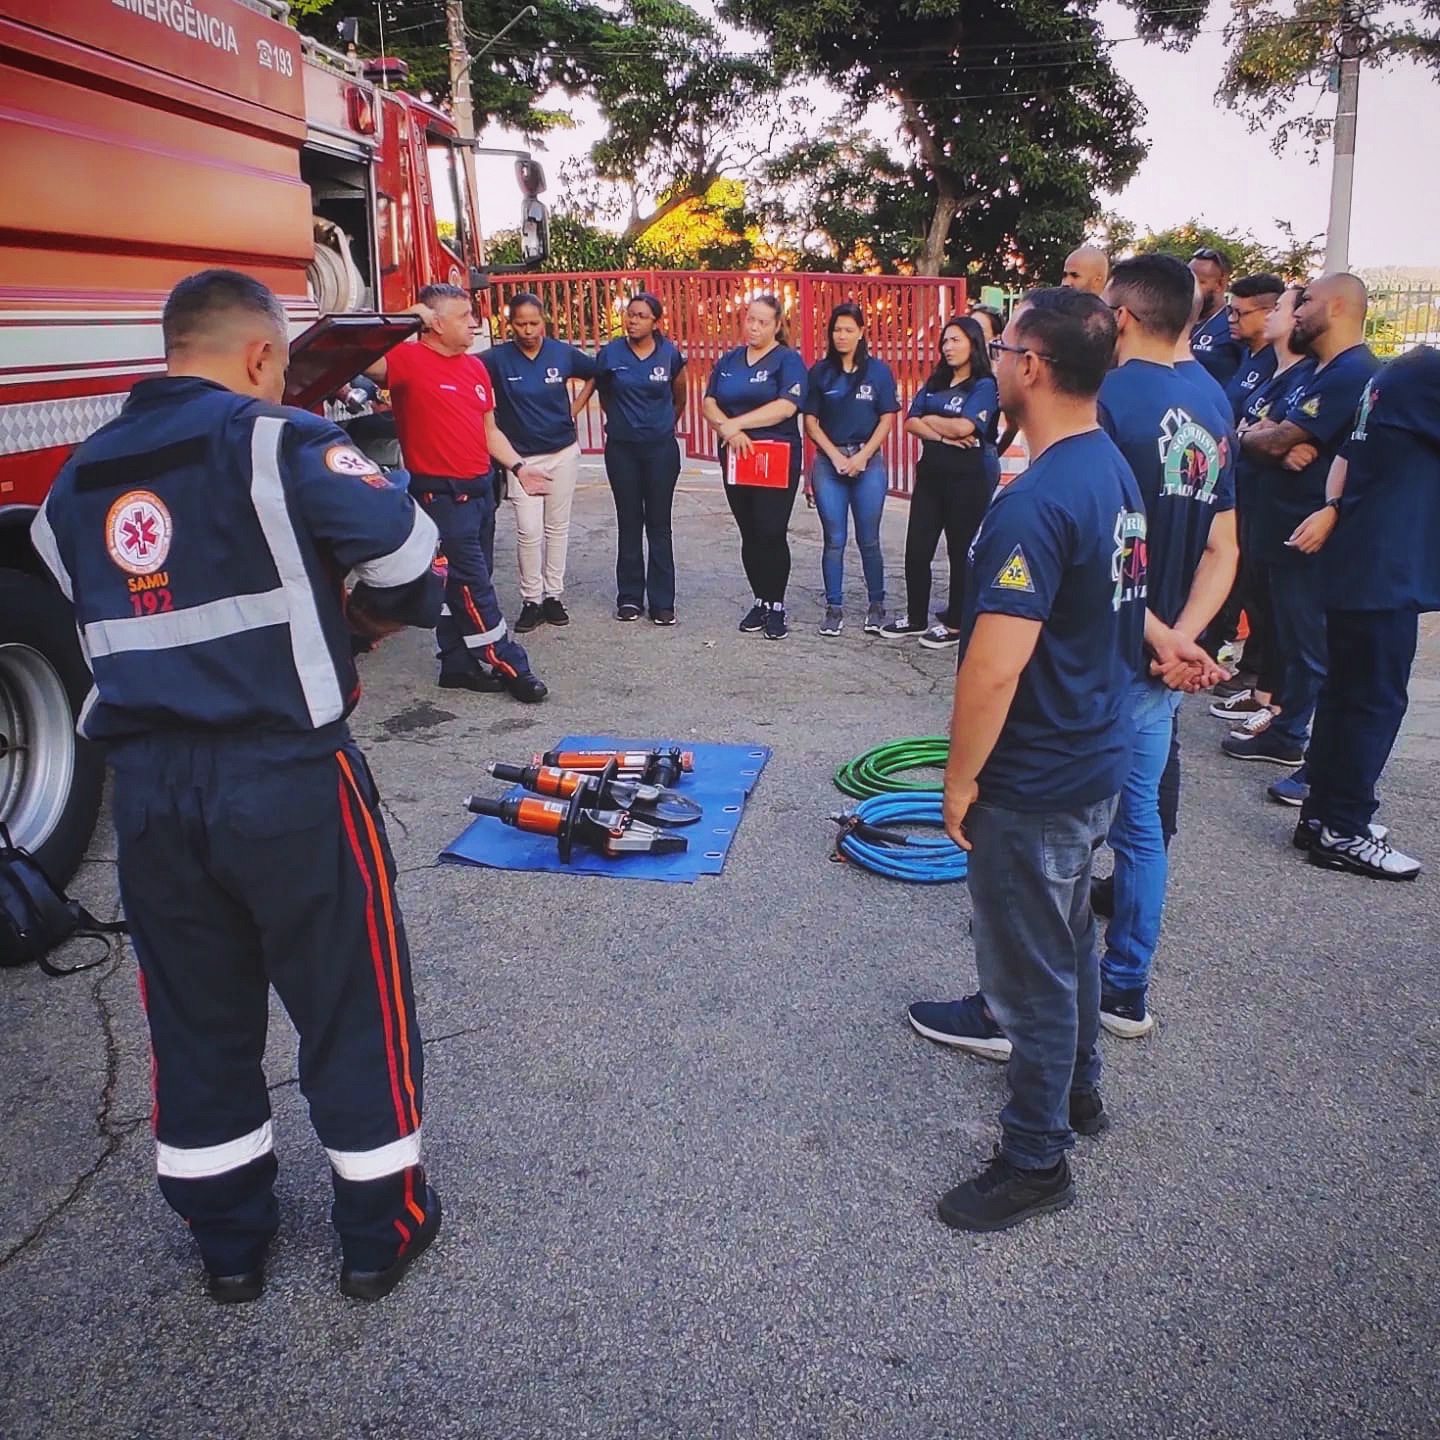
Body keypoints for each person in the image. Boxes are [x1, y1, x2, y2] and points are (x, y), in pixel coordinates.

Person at [29, 270, 445, 1304]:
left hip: (153, 793)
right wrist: (356, 632)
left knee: (194, 1015)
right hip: (287, 777)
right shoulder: (281, 441)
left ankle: (227, 1243)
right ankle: (377, 1232)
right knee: (352, 1000)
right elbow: (411, 563)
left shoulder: (72, 481)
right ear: (262, 355)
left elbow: (73, 595)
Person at [907, 288, 1149, 1232]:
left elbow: (993, 670)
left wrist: (960, 781)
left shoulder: (1038, 498)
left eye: (1005, 348)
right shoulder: (1112, 470)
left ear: (1033, 367)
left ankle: (1036, 1156)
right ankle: (1080, 1093)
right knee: (1071, 946)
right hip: (1095, 760)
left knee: (1033, 974)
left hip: (1038, 776)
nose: (997, 360)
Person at [1091, 254, 1236, 1037]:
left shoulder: (1108, 397)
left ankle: (1029, 988)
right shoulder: (1213, 402)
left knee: (1067, 819)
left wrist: (1155, 636)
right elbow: (1225, 549)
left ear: (1120, 317)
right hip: (1160, 664)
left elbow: (1105, 545)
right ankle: (1127, 987)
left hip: (1106, 655)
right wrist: (1183, 642)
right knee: (1141, 825)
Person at [1285, 345, 1438, 878]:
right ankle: (1344, 828)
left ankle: (1322, 814)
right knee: (1374, 702)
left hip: (1362, 557)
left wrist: (1333, 510)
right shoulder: (1431, 376)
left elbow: (1345, 457)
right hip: (1385, 568)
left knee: (1347, 695)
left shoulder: (1402, 370)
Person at [1224, 274, 1377, 767]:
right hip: (1280, 524)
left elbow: (1272, 439)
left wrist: (1262, 438)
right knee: (1289, 636)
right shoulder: (1317, 369)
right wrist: (1268, 438)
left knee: (1309, 644)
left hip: (1307, 532)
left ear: (1334, 308)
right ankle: (1287, 726)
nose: (1295, 313)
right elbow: (1272, 438)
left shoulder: (1352, 373)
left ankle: (1297, 739)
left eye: (1304, 302)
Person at [368, 284, 548, 703]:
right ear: (434, 323)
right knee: (474, 585)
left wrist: (518, 467)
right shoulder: (407, 361)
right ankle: (510, 663)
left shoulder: (474, 368)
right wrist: (408, 317)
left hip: (481, 491)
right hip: (442, 498)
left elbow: (489, 431)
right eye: (464, 315)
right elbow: (360, 361)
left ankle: (456, 663)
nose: (474, 322)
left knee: (462, 582)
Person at [1208, 285, 1313, 754]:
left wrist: (1257, 437)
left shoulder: (1307, 375)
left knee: (1290, 621)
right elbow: (1251, 432)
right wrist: (1256, 436)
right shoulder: (1267, 370)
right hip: (1254, 501)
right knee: (1263, 602)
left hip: (1288, 516)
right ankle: (1268, 696)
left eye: (1291, 307)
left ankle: (1283, 717)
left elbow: (1278, 442)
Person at [879, 316, 999, 649]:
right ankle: (915, 617)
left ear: (973, 344)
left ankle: (957, 623)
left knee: (961, 552)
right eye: (945, 341)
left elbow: (967, 428)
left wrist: (933, 422)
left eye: (956, 340)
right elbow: (911, 422)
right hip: (931, 475)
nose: (948, 347)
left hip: (967, 479)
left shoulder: (984, 386)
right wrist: (943, 433)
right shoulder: (935, 382)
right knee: (917, 549)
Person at [482, 292, 597, 632]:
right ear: (510, 325)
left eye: (534, 323)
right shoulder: (496, 359)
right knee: (528, 530)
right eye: (521, 324)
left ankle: (553, 595)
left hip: (562, 451)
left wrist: (573, 409)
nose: (528, 330)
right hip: (520, 458)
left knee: (556, 527)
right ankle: (531, 599)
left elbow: (594, 374)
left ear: (544, 321)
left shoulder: (562, 353)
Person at [701, 294, 808, 640]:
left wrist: (738, 424)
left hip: (774, 456)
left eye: (763, 322)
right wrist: (726, 428)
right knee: (749, 531)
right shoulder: (731, 360)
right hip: (736, 456)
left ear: (778, 326)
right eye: (750, 319)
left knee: (771, 530)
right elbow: (710, 402)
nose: (755, 327)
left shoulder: (787, 360)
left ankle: (777, 605)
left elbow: (786, 407)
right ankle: (760, 599)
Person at [586, 292, 687, 624]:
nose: (633, 320)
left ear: (655, 322)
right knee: (629, 523)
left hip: (660, 450)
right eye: (630, 315)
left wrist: (660, 426)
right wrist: (623, 423)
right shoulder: (611, 354)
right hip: (622, 450)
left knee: (659, 526)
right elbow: (604, 393)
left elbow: (679, 396)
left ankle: (662, 602)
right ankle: (629, 597)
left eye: (641, 316)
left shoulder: (669, 354)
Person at [802, 302, 900, 636]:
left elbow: (887, 417)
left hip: (867, 462)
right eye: (836, 330)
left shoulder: (878, 372)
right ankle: (834, 607)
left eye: (848, 329)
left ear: (861, 333)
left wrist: (862, 457)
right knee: (834, 539)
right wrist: (836, 457)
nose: (841, 336)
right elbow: (811, 422)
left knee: (869, 539)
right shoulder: (820, 372)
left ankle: (877, 604)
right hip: (830, 464)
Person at [1223, 273, 1286, 422]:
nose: (1231, 319)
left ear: (1269, 314)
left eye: (1238, 313)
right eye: (1229, 311)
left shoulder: (1278, 362)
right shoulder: (1246, 352)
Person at [1188, 246, 1243, 386]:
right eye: (1188, 279)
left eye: (1199, 282)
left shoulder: (1235, 325)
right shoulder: (1178, 319)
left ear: (1220, 284)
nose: (1190, 287)